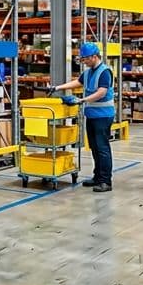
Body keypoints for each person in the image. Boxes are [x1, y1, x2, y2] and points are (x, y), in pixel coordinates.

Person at [53, 41, 115, 193]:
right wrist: (58, 87)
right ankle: (97, 177)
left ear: (94, 57)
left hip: (103, 116)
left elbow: (102, 92)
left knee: (102, 148)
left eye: (86, 59)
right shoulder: (88, 72)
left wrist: (82, 100)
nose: (84, 61)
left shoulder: (105, 71)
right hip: (92, 115)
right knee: (94, 147)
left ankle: (106, 181)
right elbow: (77, 82)